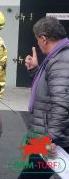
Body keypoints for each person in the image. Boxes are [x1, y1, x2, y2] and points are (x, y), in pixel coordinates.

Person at [18, 17, 69, 179]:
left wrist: (49, 138)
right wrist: (36, 70)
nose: (38, 44)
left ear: (44, 39)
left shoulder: (62, 60)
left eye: (37, 40)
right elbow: (52, 88)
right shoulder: (59, 56)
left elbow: (62, 104)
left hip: (52, 139)